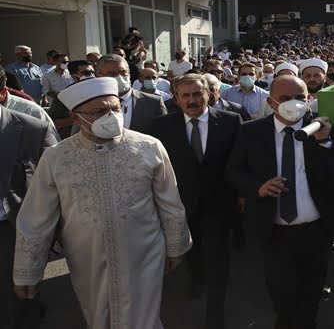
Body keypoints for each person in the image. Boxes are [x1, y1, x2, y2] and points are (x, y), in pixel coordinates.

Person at [13, 77, 192, 329]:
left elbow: (170, 201)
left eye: (115, 108)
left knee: (143, 319)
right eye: (100, 111)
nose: (111, 115)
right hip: (86, 257)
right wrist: (27, 271)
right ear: (77, 118)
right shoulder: (56, 157)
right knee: (98, 318)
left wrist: (176, 245)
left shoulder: (149, 147)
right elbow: (37, 217)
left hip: (143, 253)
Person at [226, 75, 334, 329]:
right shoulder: (251, 132)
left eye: (299, 98)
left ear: (309, 100)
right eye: (285, 99)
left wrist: (325, 141)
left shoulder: (323, 129)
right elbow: (233, 172)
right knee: (282, 293)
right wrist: (257, 188)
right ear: (271, 103)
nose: (293, 104)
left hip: (317, 230)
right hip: (274, 232)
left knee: (312, 291)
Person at [152, 74, 241, 329]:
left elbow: (238, 161)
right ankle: (195, 276)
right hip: (180, 204)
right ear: (176, 98)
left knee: (218, 259)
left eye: (197, 94)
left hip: (219, 204)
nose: (192, 100)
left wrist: (242, 195)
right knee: (192, 251)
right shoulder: (161, 127)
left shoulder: (230, 121)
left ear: (209, 94)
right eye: (186, 96)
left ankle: (216, 311)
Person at [0, 73, 57, 328]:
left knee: (16, 304)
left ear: (2, 95)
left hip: (11, 230)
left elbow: (53, 188)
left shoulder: (33, 129)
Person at [96, 54, 167, 135]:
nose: (119, 77)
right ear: (99, 76)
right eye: (112, 74)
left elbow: (164, 134)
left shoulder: (154, 102)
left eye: (123, 72)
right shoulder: (91, 104)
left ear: (129, 73)